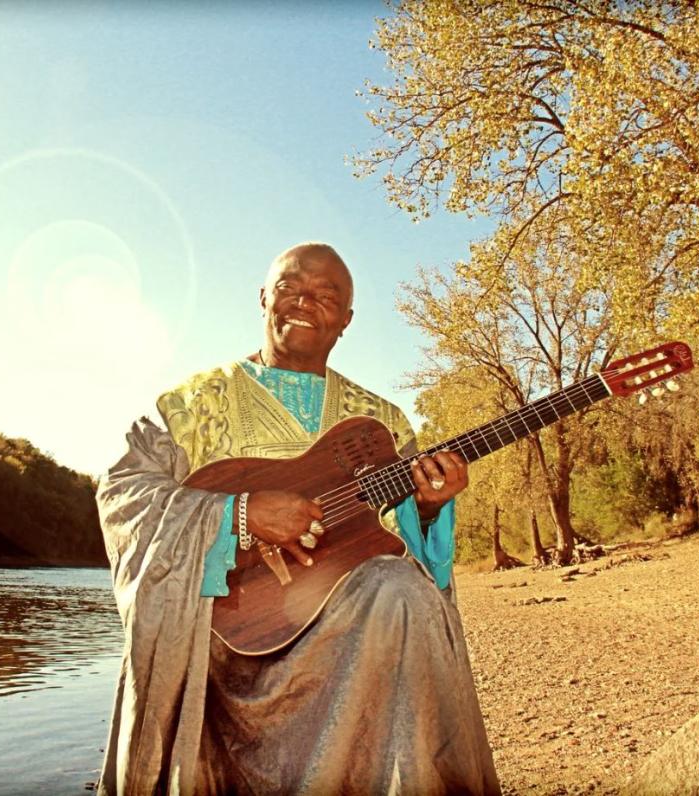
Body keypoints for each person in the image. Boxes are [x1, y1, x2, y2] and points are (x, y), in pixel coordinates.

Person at [96, 243, 500, 794]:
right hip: (229, 638)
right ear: (264, 297)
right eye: (291, 288)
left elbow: (396, 542)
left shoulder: (381, 421)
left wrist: (428, 507)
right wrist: (236, 513)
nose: (306, 302)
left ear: (347, 321)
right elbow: (125, 495)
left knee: (404, 592)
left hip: (357, 628)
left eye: (328, 296)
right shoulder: (190, 404)